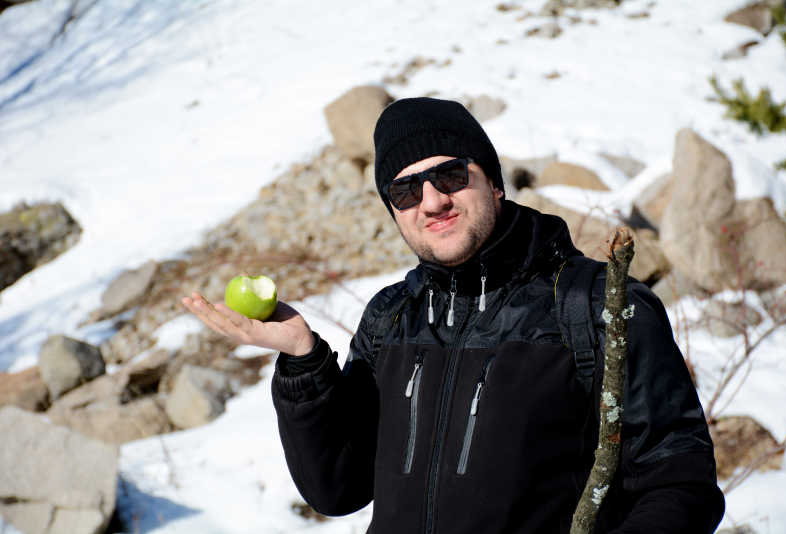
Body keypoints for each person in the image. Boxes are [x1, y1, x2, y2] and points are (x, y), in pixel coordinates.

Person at [182, 97, 725, 533]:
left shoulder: (596, 307)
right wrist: (305, 364)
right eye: (404, 189)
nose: (431, 200)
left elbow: (680, 484)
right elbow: (337, 489)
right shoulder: (392, 317)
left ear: (492, 181)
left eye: (448, 175)